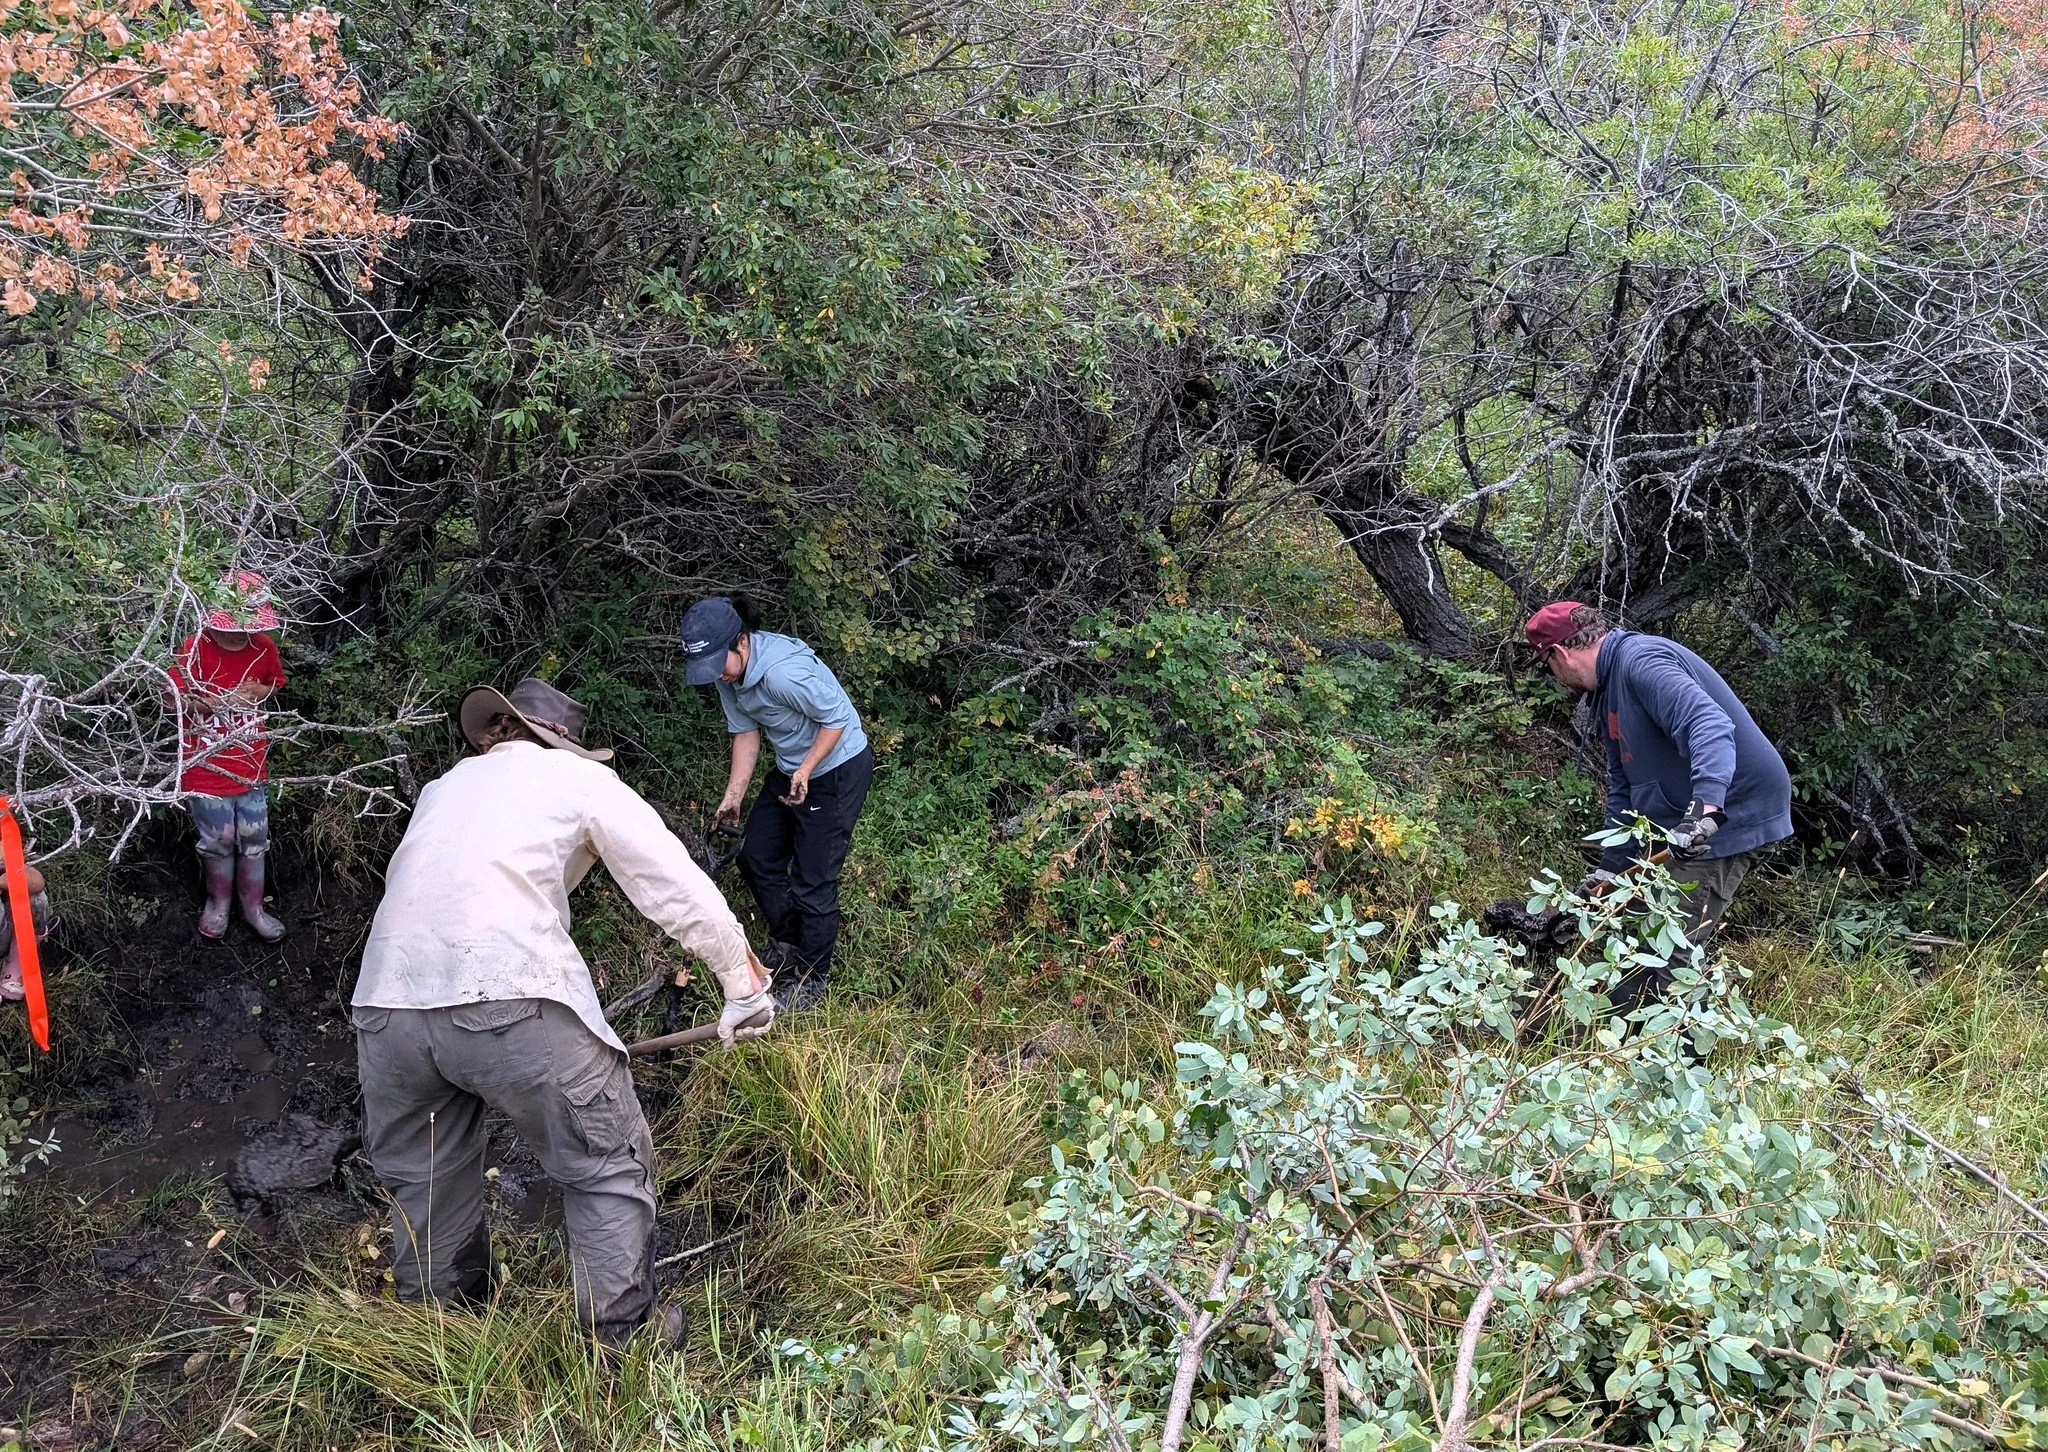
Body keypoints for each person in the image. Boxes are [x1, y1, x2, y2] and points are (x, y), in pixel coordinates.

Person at [350, 676, 774, 1349]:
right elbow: (672, 884)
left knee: (425, 1178)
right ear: (561, 743)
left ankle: (438, 1336)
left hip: (385, 1004)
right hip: (513, 990)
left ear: (496, 733)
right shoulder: (576, 780)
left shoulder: (443, 789)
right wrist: (743, 986)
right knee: (606, 1160)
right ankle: (621, 1340)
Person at [1526, 601, 1792, 981]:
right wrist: (1611, 867)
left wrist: (1706, 809)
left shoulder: (1641, 661)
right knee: (1632, 930)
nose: (1554, 676)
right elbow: (1624, 787)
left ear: (1559, 653)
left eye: (1546, 665)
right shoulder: (1609, 690)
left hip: (1731, 812)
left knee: (1664, 957)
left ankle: (1670, 1031)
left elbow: (1708, 724)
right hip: (1684, 820)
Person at [680, 594, 872, 1012]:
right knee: (754, 856)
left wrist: (805, 770)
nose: (717, 676)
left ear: (741, 643)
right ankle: (790, 941)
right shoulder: (730, 675)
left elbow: (836, 719)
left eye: (719, 665)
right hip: (792, 767)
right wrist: (732, 800)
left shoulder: (785, 674)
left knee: (813, 879)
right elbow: (746, 733)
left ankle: (811, 981)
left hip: (836, 767)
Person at [169, 571, 288, 942]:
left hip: (251, 765)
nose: (240, 634)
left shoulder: (264, 647)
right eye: (233, 626)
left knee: (254, 838)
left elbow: (273, 685)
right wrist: (214, 702)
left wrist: (258, 692)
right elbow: (173, 696)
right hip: (205, 767)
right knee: (217, 840)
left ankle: (253, 908)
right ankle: (218, 903)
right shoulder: (194, 648)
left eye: (247, 627)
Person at [0, 861, 52, 1002]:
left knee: (36, 898)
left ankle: (18, 961)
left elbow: (36, 881)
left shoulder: (4, 848)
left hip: (7, 932)